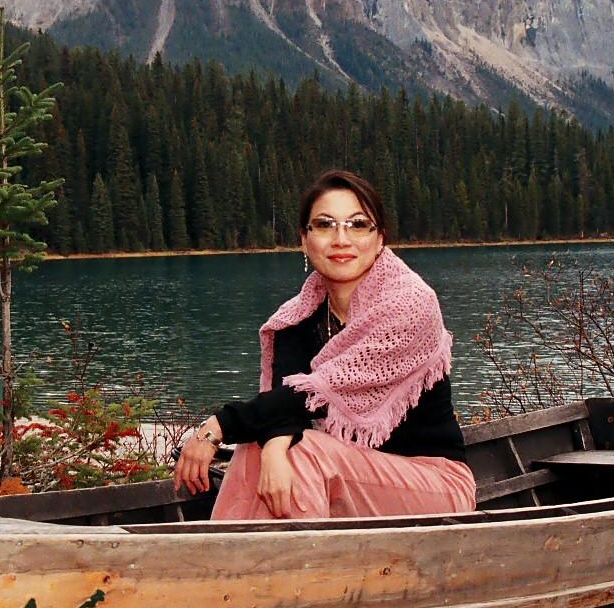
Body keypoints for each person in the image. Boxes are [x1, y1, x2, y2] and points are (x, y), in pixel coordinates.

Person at [173, 169, 475, 520]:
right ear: (304, 239)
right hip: (350, 471)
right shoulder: (294, 319)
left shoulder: (409, 304)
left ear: (380, 239)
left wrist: (219, 425)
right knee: (256, 448)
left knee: (303, 452)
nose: (341, 239)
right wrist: (273, 446)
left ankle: (286, 554)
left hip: (433, 483)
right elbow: (285, 404)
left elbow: (313, 394)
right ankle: (230, 552)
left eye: (358, 225)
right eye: (325, 225)